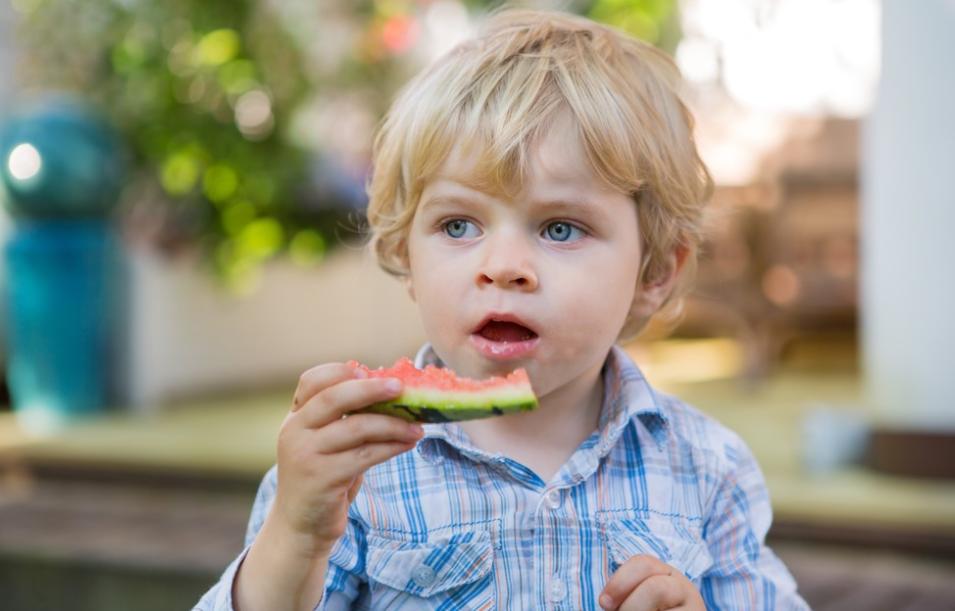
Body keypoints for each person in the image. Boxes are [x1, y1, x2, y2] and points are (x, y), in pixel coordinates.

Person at [196, 7, 810, 611]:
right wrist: (297, 538)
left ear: (655, 272)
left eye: (561, 228)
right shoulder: (350, 470)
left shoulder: (709, 468)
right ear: (406, 255)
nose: (503, 265)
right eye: (458, 225)